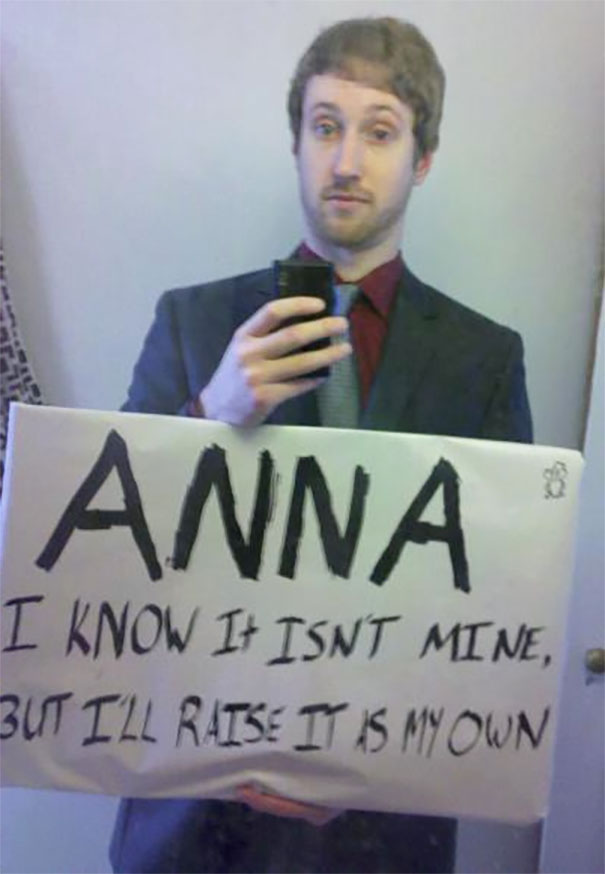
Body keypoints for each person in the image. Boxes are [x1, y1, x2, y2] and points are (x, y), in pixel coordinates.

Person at [111, 16, 533, 874]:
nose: (345, 161)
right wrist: (210, 410)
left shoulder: (484, 359)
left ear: (421, 159)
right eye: (325, 126)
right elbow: (110, 556)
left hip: (384, 825)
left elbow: (496, 600)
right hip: (194, 818)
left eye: (379, 132)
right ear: (296, 142)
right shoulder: (192, 322)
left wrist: (367, 760)